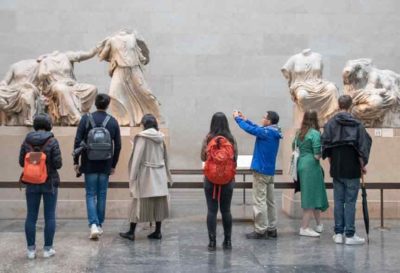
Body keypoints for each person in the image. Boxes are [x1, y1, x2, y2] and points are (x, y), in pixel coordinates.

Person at [322, 95, 372, 245]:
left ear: (339, 105)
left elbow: (325, 145)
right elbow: (363, 146)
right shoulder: (357, 125)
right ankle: (350, 235)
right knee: (350, 201)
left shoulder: (330, 124)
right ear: (350, 106)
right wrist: (362, 164)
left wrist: (331, 160)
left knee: (338, 200)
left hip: (336, 167)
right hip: (352, 168)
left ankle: (338, 234)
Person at [73, 93, 121, 240]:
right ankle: (99, 224)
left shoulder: (86, 119)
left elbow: (78, 141)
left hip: (89, 163)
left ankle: (93, 224)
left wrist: (76, 162)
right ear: (107, 105)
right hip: (106, 163)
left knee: (90, 194)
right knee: (102, 195)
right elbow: (118, 146)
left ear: (95, 103)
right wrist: (113, 164)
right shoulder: (112, 121)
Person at [119, 114, 172, 241]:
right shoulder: (161, 137)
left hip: (146, 175)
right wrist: (167, 175)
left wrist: (132, 177)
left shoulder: (142, 137)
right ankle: (158, 231)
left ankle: (131, 232)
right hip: (159, 174)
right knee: (159, 203)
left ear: (144, 124)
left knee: (137, 202)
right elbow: (166, 157)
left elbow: (136, 159)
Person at [233, 110, 282, 239]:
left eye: (264, 117)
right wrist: (245, 118)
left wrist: (238, 119)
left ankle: (260, 230)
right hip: (269, 171)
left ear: (269, 121)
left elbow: (250, 129)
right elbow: (256, 127)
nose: (262, 119)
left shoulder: (266, 132)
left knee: (259, 200)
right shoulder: (273, 131)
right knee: (270, 201)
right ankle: (272, 228)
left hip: (261, 170)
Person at [19, 114, 62, 259]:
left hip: (31, 182)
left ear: (35, 125)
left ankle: (31, 250)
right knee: (49, 216)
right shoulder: (52, 141)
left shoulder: (27, 141)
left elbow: (21, 162)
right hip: (49, 183)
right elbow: (58, 164)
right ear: (49, 124)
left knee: (31, 216)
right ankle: (47, 249)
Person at [201, 112, 238, 251]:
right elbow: (235, 159)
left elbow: (203, 157)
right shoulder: (231, 139)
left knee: (211, 211)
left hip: (210, 179)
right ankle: (227, 241)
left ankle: (212, 241)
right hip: (228, 180)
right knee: (226, 210)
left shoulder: (208, 138)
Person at [293, 110, 329, 237]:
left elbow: (294, 148)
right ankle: (304, 227)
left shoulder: (299, 133)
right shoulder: (314, 133)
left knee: (314, 194)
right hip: (311, 167)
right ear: (315, 119)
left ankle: (319, 224)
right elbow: (317, 155)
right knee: (310, 197)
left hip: (301, 164)